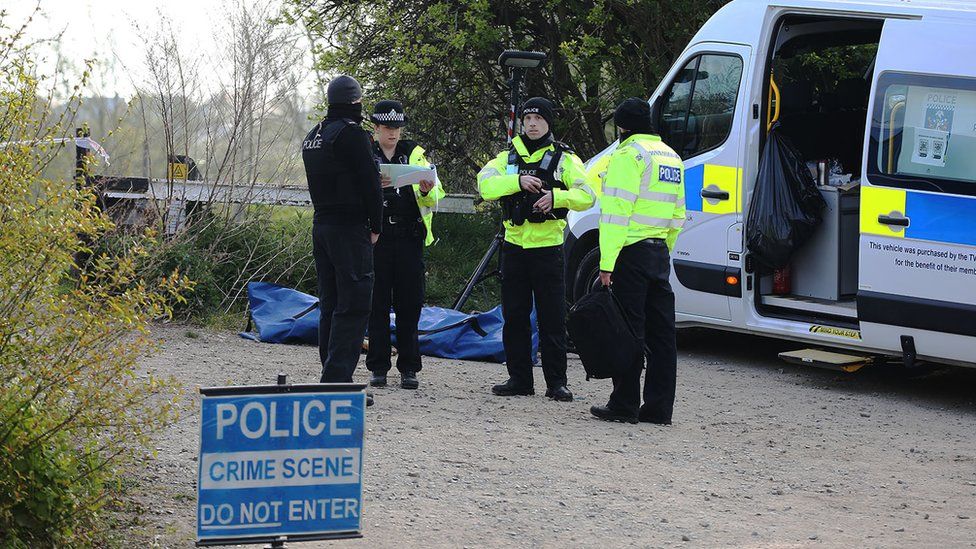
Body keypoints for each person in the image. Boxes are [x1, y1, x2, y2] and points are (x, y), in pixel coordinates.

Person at [477, 97, 596, 402]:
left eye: (538, 119)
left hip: (548, 249)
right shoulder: (508, 157)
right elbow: (485, 186)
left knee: (552, 318)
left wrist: (556, 198)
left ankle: (556, 383)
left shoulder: (565, 159)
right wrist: (517, 180)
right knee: (514, 317)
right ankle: (519, 379)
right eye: (527, 119)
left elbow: (587, 195)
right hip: (514, 247)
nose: (531, 124)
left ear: (548, 123)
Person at [589, 98, 686, 425]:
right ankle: (659, 409)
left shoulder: (628, 156)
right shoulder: (671, 156)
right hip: (658, 252)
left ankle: (624, 404)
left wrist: (607, 263)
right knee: (662, 335)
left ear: (621, 127)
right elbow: (677, 214)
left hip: (630, 253)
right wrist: (662, 248)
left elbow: (616, 213)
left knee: (629, 330)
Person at [302, 75, 383, 390]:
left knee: (330, 305)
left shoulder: (314, 135)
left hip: (321, 225)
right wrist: (376, 225)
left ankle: (330, 374)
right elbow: (370, 184)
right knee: (354, 306)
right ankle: (338, 383)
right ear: (355, 102)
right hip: (349, 230)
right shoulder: (352, 135)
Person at [366, 100, 445, 390]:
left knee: (410, 305)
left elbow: (436, 195)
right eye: (387, 127)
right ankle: (378, 367)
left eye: (397, 127)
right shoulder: (366, 152)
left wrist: (427, 188)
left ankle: (409, 368)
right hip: (376, 237)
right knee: (376, 304)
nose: (393, 133)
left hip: (409, 237)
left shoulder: (414, 153)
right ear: (376, 128)